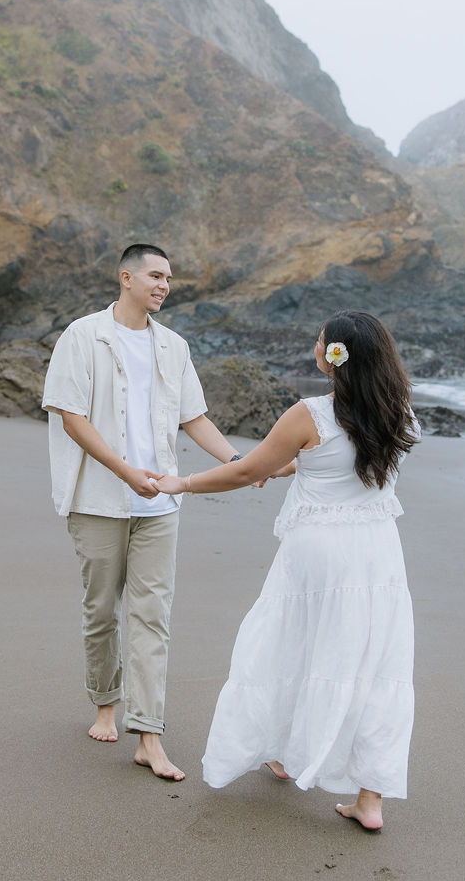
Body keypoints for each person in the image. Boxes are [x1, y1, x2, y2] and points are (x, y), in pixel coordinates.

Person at [151, 309, 418, 829]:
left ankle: (278, 748)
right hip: (378, 552)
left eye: (319, 342)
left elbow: (249, 469)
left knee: (290, 642)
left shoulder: (310, 413)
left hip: (318, 551)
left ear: (332, 355)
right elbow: (346, 460)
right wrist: (289, 465)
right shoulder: (398, 411)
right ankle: (369, 799)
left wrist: (181, 483)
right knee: (373, 663)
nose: (314, 348)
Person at [42, 243, 245, 782]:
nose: (164, 285)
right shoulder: (83, 336)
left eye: (169, 278)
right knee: (101, 609)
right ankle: (105, 702)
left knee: (153, 615)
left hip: (161, 504)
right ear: (126, 277)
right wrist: (126, 471)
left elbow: (194, 417)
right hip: (98, 500)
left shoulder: (174, 346)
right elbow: (71, 417)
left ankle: (148, 734)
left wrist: (240, 461)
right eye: (155, 275)